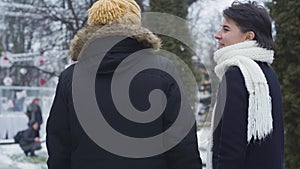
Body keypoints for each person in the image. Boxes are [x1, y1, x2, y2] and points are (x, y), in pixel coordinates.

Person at [46, 0, 202, 169]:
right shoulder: (162, 70)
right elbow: (180, 139)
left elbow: (59, 144)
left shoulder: (70, 77)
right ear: (135, 23)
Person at [209, 1, 284, 169]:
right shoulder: (266, 74)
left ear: (248, 36)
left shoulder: (236, 74)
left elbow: (231, 146)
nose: (217, 35)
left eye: (226, 29)